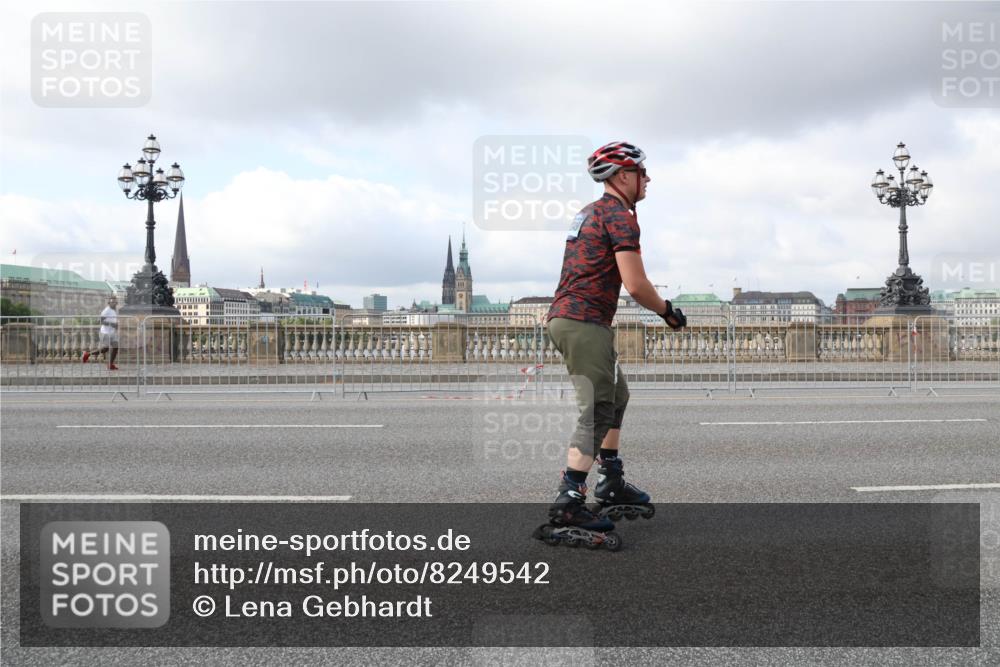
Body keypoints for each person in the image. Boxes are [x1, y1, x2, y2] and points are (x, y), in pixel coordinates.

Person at [544, 141, 686, 532]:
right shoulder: (620, 216)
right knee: (599, 407)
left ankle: (612, 480)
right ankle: (570, 497)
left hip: (569, 318)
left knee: (616, 395)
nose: (648, 179)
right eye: (643, 172)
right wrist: (668, 313)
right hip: (583, 321)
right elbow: (636, 285)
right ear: (624, 176)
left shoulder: (589, 212)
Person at [82, 296, 120, 370]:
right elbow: (99, 321)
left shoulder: (114, 310)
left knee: (115, 347)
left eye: (115, 302)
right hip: (105, 332)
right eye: (112, 302)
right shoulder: (106, 310)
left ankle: (110, 364)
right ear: (109, 303)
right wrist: (112, 324)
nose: (114, 303)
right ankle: (87, 354)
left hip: (112, 332)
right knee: (105, 349)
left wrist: (116, 325)